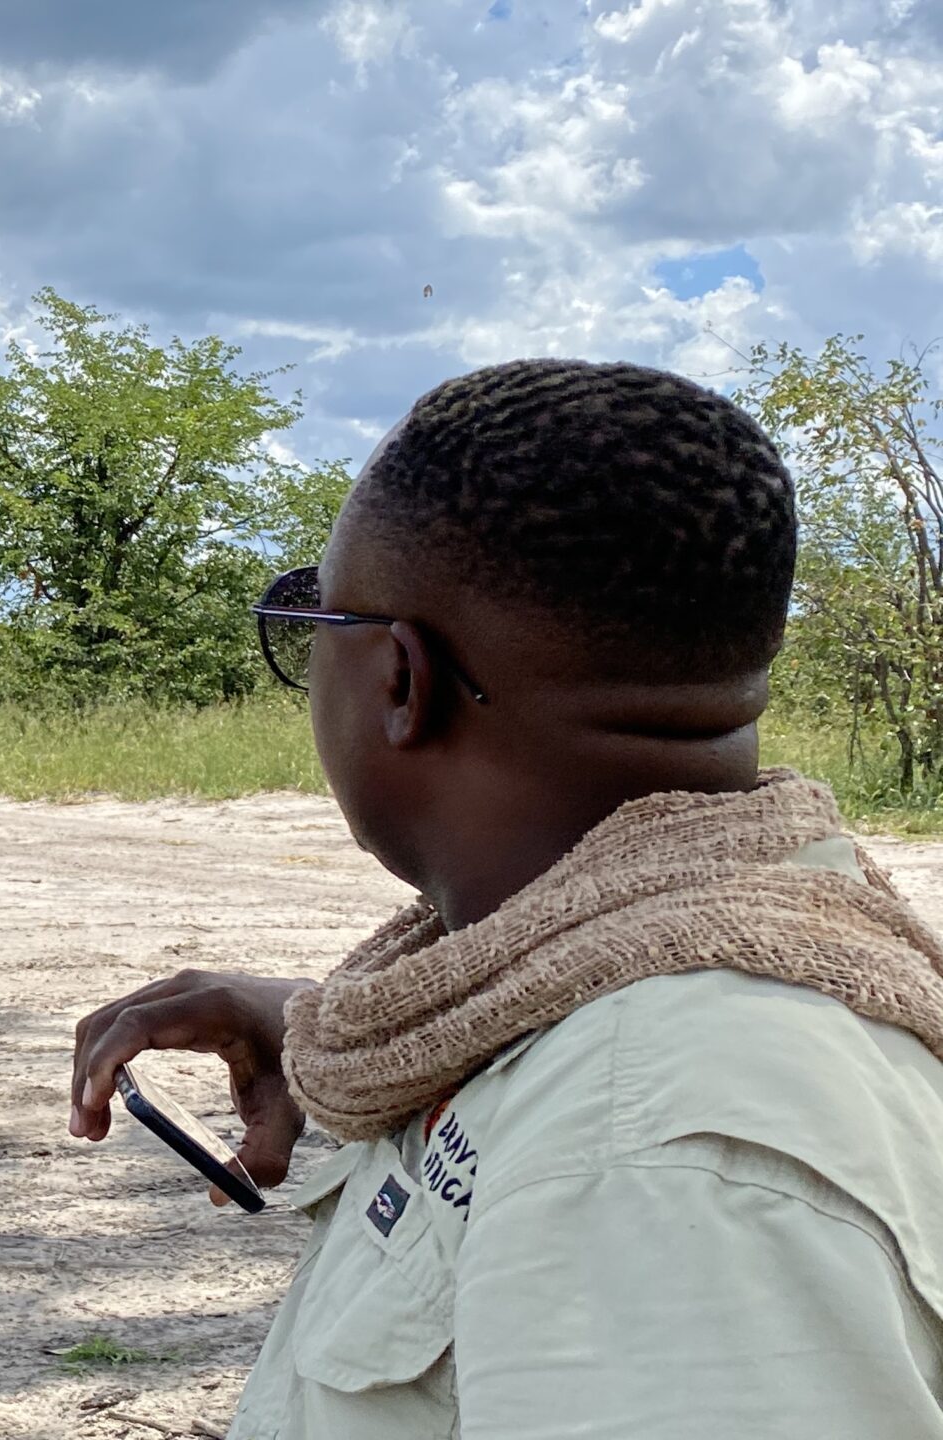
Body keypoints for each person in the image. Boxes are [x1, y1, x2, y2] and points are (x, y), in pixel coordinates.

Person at [69, 359, 943, 1437]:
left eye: (316, 623)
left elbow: (631, 1139)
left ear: (400, 678)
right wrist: (329, 1034)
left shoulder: (654, 1157)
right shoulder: (633, 992)